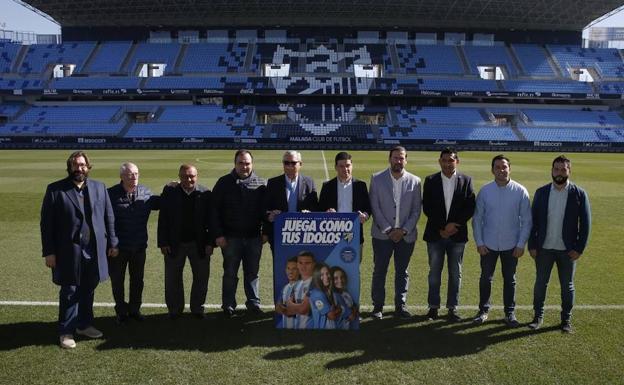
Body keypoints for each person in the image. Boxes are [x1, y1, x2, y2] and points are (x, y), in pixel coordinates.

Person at [40, 151, 118, 349]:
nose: (79, 168)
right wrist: (49, 252)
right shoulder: (55, 190)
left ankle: (84, 324)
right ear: (70, 167)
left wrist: (113, 243)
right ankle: (66, 331)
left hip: (95, 250)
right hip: (68, 251)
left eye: (83, 165)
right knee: (70, 290)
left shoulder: (99, 188)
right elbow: (46, 224)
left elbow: (109, 217)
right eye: (75, 165)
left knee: (88, 289)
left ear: (88, 167)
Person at [528, 155, 591, 333]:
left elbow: (586, 224)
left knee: (567, 286)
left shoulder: (579, 193)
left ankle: (566, 320)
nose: (559, 173)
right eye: (556, 169)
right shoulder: (541, 192)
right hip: (544, 249)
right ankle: (537, 317)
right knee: (541, 284)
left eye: (563, 169)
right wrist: (532, 245)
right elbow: (533, 221)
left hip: (567, 251)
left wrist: (579, 248)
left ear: (569, 171)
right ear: (551, 171)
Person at [472, 154, 531, 327]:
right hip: (488, 245)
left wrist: (521, 244)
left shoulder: (520, 191)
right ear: (492, 170)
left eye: (504, 167)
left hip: (511, 245)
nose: (501, 170)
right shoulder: (485, 191)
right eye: (497, 167)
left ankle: (509, 313)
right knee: (485, 278)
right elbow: (477, 219)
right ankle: (483, 311)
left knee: (510, 279)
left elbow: (527, 221)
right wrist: (480, 242)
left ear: (509, 169)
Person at [211, 149, 267, 317]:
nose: (244, 166)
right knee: (230, 273)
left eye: (247, 163)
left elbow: (266, 211)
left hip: (254, 238)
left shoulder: (261, 183)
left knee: (252, 273)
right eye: (240, 163)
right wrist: (218, 234)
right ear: (235, 164)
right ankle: (228, 305)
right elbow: (214, 211)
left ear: (252, 164)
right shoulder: (223, 182)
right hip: (230, 238)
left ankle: (253, 303)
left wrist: (266, 233)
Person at [422, 148, 475, 322]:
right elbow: (427, 207)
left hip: (457, 235)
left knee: (455, 273)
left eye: (451, 160)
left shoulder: (466, 180)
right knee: (434, 273)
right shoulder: (430, 180)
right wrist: (442, 227)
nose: (447, 163)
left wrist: (453, 226)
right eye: (444, 160)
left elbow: (469, 207)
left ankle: (452, 308)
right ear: (439, 161)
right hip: (436, 235)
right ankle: (433, 308)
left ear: (456, 161)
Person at [369, 146, 422, 319]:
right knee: (379, 270)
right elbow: (375, 208)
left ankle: (400, 306)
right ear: (389, 158)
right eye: (395, 158)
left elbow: (416, 210)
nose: (398, 161)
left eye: (401, 158)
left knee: (402, 271)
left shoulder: (415, 181)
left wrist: (404, 230)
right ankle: (378, 306)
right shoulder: (376, 179)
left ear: (406, 160)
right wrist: (389, 230)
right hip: (382, 235)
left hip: (406, 236)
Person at [157, 164, 212, 320]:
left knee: (201, 278)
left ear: (197, 176)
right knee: (172, 279)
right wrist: (163, 242)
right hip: (175, 243)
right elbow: (164, 219)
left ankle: (197, 308)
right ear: (179, 177)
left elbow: (212, 221)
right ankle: (174, 310)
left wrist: (210, 243)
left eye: (192, 176)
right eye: (185, 176)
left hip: (199, 244)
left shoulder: (206, 193)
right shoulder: (170, 192)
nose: (189, 179)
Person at [107, 162, 159, 324]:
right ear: (122, 176)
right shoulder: (110, 194)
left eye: (136, 173)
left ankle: (135, 310)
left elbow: (161, 203)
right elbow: (104, 222)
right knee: (117, 280)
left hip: (139, 247)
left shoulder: (145, 193)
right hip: (118, 249)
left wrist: (172, 188)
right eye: (130, 174)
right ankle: (121, 311)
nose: (134, 177)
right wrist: (111, 244)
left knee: (137, 280)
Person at [264, 150, 318, 249]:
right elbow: (265, 208)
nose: (289, 166)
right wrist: (270, 215)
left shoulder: (309, 182)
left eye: (293, 163)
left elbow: (316, 207)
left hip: (303, 236)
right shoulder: (273, 183)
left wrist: (310, 213)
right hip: (279, 236)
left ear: (300, 164)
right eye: (286, 163)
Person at [318, 151, 371, 252]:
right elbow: (320, 208)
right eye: (341, 166)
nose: (345, 169)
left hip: (354, 233)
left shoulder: (361, 185)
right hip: (332, 233)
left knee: (353, 265)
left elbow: (367, 208)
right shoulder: (327, 186)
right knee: (331, 266)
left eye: (348, 165)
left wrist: (365, 215)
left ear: (352, 166)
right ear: (336, 167)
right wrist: (326, 212)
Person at [285, 250, 316, 329]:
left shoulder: (315, 284)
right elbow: (289, 311)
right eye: (300, 263)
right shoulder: (297, 285)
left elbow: (303, 310)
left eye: (307, 263)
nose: (303, 266)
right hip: (299, 330)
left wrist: (291, 305)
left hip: (314, 331)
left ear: (314, 264)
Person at [309, 263, 343, 329]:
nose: (326, 277)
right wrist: (340, 309)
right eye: (322, 275)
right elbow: (331, 316)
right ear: (317, 276)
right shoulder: (317, 294)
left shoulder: (328, 291)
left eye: (327, 273)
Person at [275, 257, 300, 329]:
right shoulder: (285, 288)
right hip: (287, 329)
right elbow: (277, 307)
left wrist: (289, 310)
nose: (290, 272)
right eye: (288, 268)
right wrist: (283, 309)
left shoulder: (304, 288)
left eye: (294, 269)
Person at [331, 266, 358, 330]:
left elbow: (354, 307)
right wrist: (350, 312)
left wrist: (353, 311)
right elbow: (350, 316)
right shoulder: (332, 295)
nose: (340, 280)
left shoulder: (346, 294)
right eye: (336, 278)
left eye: (342, 277)